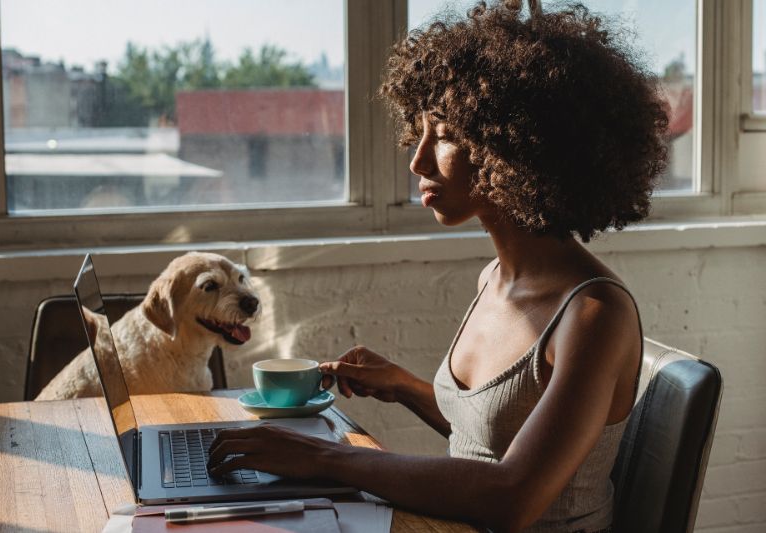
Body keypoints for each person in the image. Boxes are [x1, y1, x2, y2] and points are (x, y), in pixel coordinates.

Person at [207, 1, 669, 531]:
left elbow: (511, 495)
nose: (417, 160)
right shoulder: (495, 280)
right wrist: (402, 386)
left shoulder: (595, 314)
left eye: (444, 134)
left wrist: (322, 459)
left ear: (517, 142)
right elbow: (486, 442)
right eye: (419, 132)